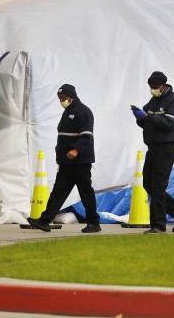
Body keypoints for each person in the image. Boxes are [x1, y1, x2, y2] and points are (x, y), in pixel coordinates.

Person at [27, 84, 101, 234]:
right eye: (60, 98)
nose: (61, 101)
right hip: (66, 163)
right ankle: (44, 221)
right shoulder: (68, 112)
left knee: (86, 192)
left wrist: (76, 149)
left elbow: (87, 136)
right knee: (58, 192)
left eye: (63, 98)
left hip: (80, 162)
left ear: (71, 96)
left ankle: (94, 223)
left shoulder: (83, 111)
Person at [132, 71, 174, 234]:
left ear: (164, 86)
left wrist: (148, 117)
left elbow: (171, 123)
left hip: (167, 148)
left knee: (158, 186)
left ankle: (158, 226)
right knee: (148, 184)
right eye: (151, 87)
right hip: (153, 147)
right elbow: (147, 122)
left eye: (155, 87)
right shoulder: (153, 100)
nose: (153, 89)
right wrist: (139, 117)